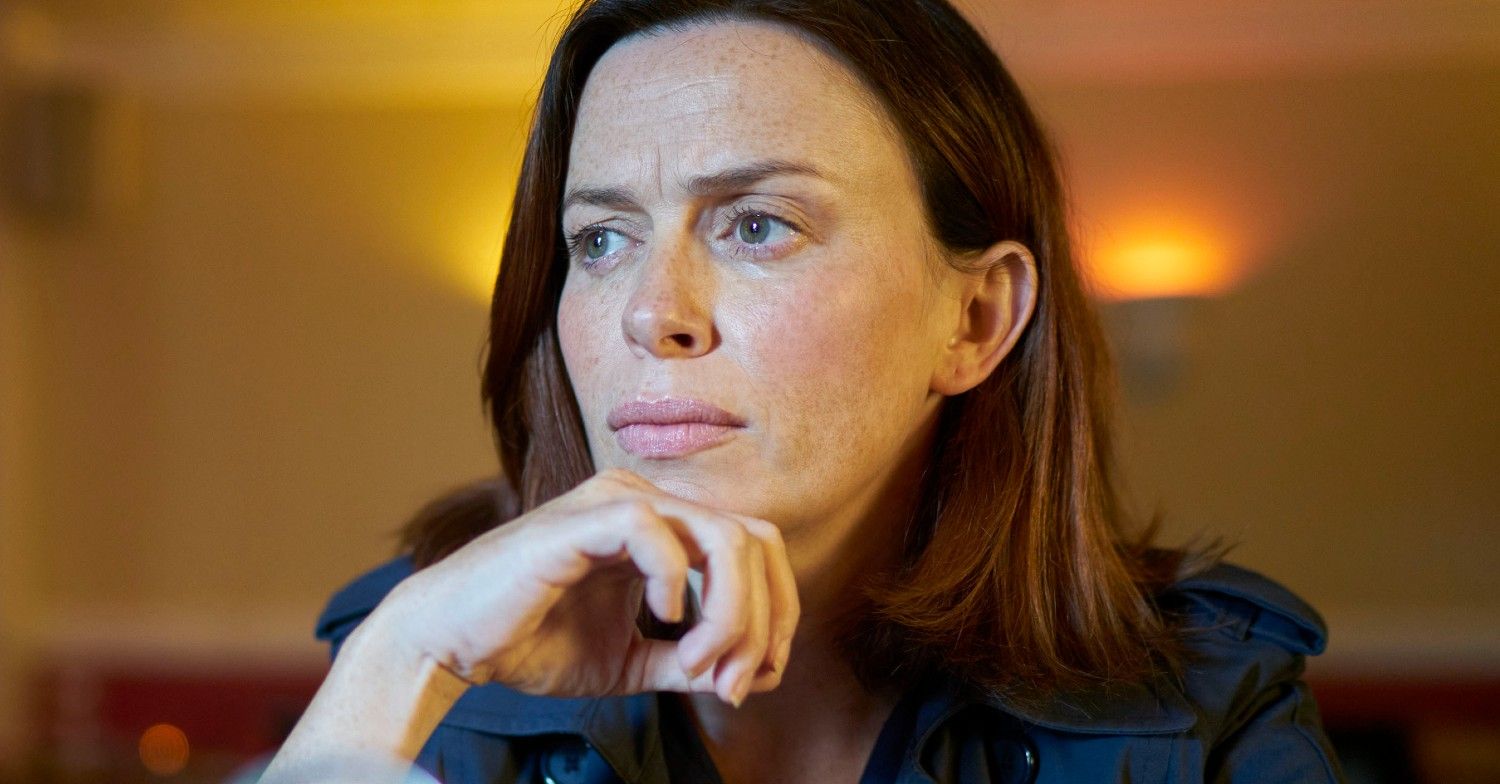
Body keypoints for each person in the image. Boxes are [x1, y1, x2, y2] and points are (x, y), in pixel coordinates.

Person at [261, 1, 1344, 782]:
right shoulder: (417, 670)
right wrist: (394, 669)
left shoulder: (1211, 714)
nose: (651, 312)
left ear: (974, 320)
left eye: (756, 225)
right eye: (600, 239)